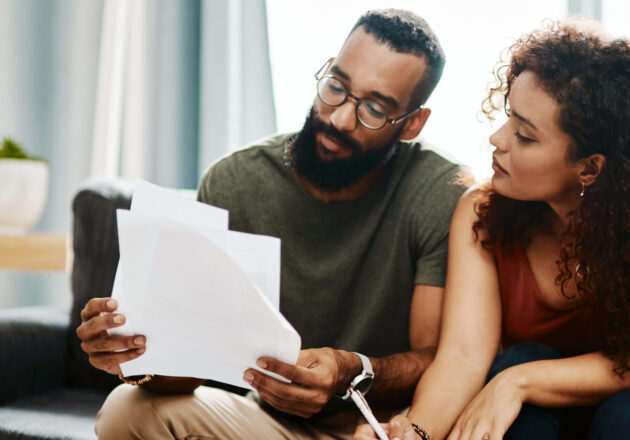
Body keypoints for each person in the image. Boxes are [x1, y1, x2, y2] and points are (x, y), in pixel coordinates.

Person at [355, 19, 630, 440]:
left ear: (590, 168)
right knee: (517, 367)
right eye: (508, 117)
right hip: (551, 426)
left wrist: (518, 382)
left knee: (626, 411)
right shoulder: (481, 212)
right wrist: (414, 432)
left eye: (525, 136)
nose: (497, 138)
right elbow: (463, 357)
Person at [77, 9, 467, 439]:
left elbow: (436, 357)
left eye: (374, 109)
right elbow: (188, 372)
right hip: (266, 424)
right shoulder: (237, 181)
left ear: (412, 123)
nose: (338, 118)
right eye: (336, 86)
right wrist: (133, 355)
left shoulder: (439, 193)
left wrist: (352, 371)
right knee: (126, 410)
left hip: (379, 430)